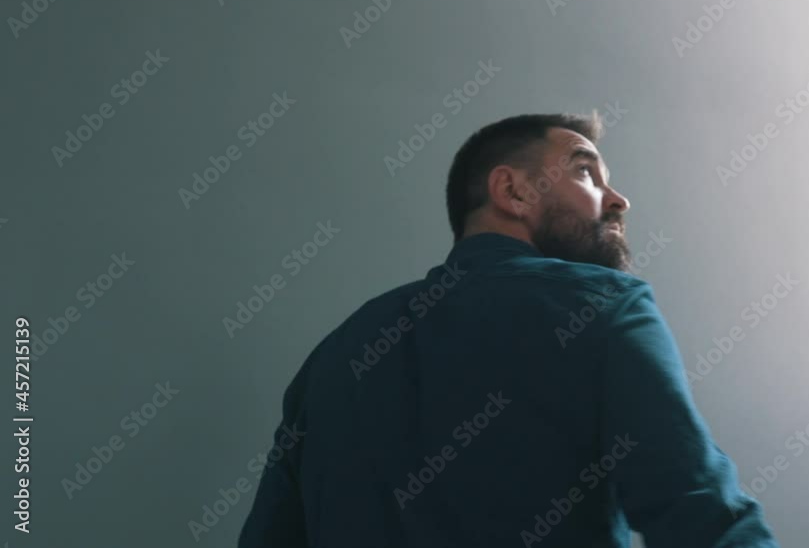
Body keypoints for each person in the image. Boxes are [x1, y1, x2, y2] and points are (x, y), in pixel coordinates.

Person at [237, 112, 780, 547]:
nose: (618, 200)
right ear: (513, 191)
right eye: (586, 172)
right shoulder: (603, 307)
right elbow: (701, 516)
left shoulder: (334, 356)